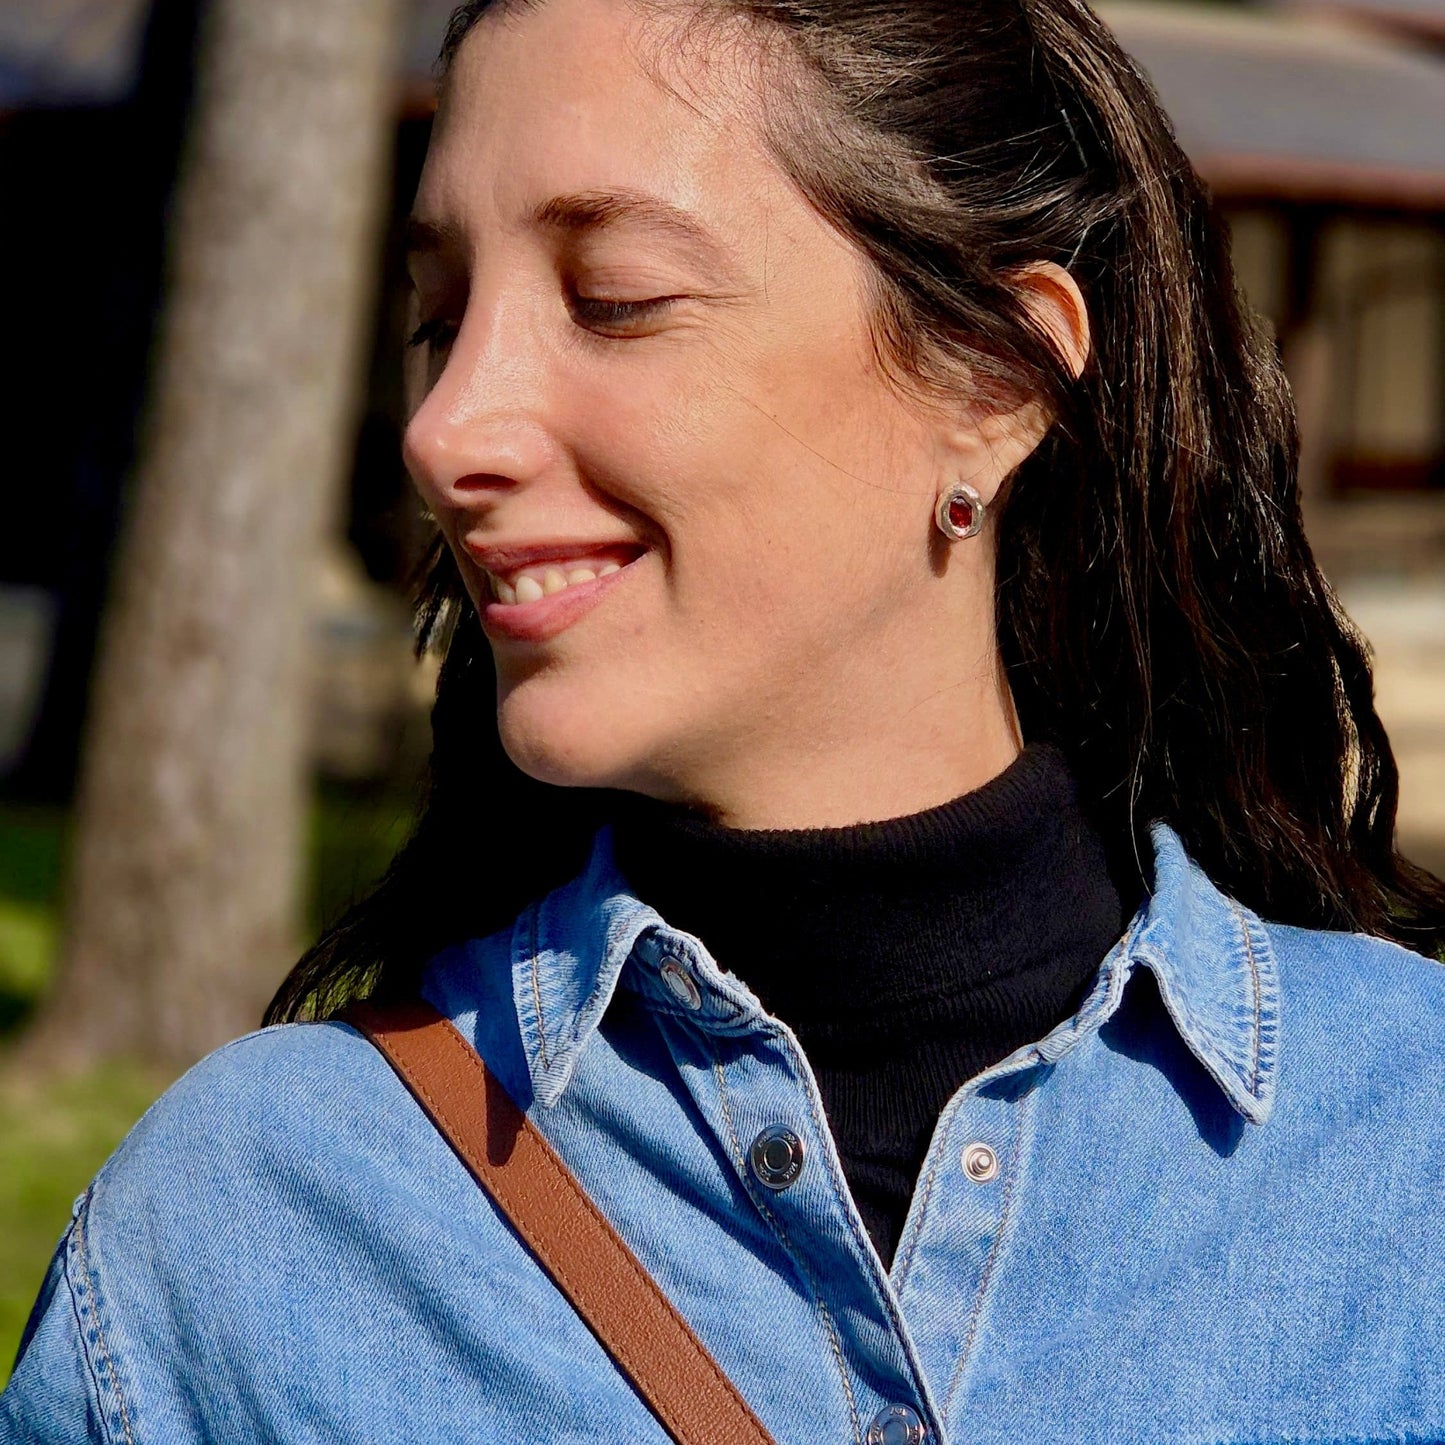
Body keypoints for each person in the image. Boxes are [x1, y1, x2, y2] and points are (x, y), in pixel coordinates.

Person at [6, 0, 1445, 1439]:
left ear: (995, 373)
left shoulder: (1408, 1143)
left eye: (614, 296)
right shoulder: (238, 1237)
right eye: (437, 320)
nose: (444, 432)